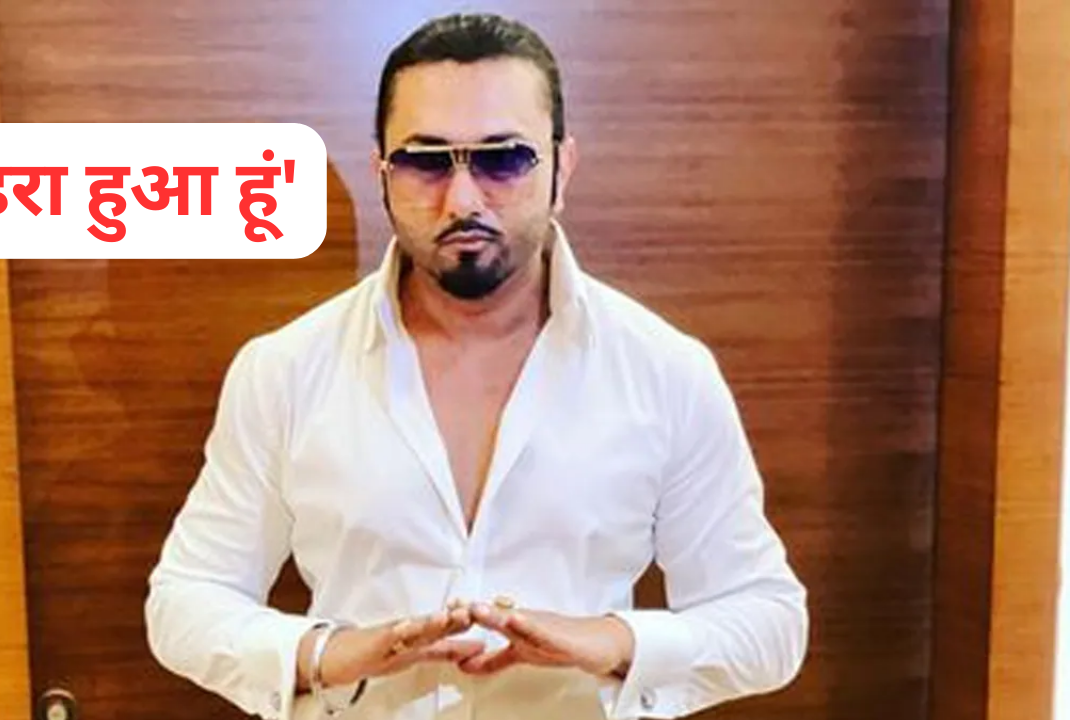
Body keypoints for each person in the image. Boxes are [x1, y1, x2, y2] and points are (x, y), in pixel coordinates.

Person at [145, 12, 808, 720]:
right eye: (427, 160)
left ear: (561, 168)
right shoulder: (283, 370)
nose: (463, 199)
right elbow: (186, 601)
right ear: (382, 172)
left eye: (504, 158)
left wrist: (614, 642)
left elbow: (769, 622)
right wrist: (326, 654)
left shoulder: (667, 373)